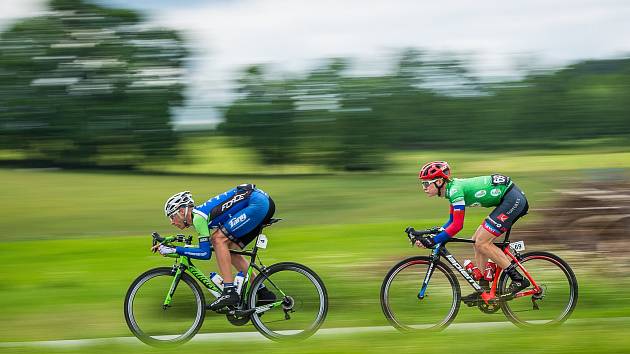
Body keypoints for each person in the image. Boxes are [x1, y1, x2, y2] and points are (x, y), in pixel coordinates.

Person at [415, 161, 530, 303]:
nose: (424, 187)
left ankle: (518, 279)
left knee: (482, 242)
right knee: (477, 240)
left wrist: (433, 240)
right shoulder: (451, 190)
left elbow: (457, 226)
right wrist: (429, 234)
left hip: (513, 199)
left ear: (439, 182)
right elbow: (451, 222)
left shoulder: (455, 190)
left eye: (426, 183)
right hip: (507, 197)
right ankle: (483, 289)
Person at [152, 184, 276, 310]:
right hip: (260, 202)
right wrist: (170, 243)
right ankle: (262, 292)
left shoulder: (199, 218)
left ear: (182, 211)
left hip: (257, 203)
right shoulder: (199, 217)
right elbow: (205, 248)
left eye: (172, 216)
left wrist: (174, 249)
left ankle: (229, 291)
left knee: (218, 239)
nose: (172, 222)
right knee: (227, 249)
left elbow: (205, 253)